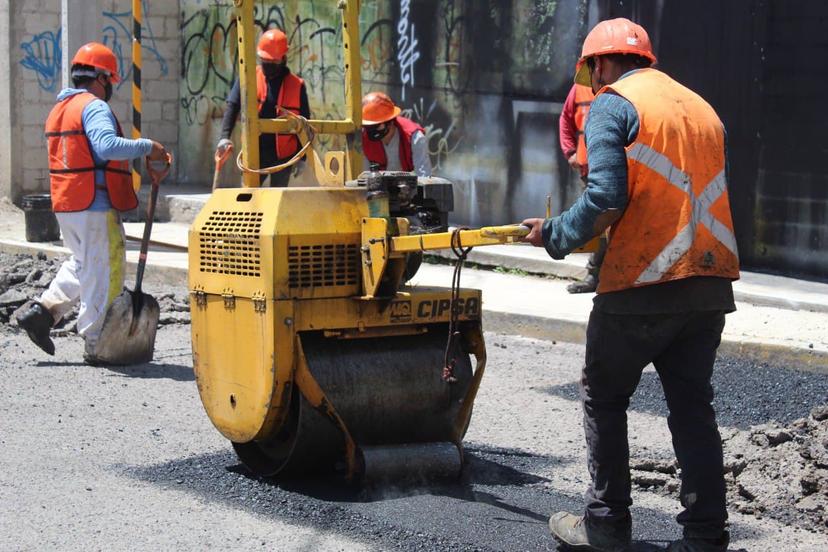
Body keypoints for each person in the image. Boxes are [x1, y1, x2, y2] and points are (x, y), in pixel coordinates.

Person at [521, 18, 739, 552]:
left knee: (604, 395)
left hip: (641, 283)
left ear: (598, 65)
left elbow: (606, 198)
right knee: (692, 408)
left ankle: (606, 528)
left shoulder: (613, 106)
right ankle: (707, 537)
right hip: (708, 281)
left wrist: (554, 235)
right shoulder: (701, 108)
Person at [15, 42, 168, 364]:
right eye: (110, 79)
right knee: (104, 271)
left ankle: (42, 313)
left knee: (83, 262)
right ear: (101, 77)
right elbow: (107, 145)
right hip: (94, 204)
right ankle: (97, 342)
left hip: (68, 202)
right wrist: (148, 147)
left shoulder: (60, 108)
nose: (110, 86)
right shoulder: (93, 107)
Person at [216, 28, 310, 187]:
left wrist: (302, 158)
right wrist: (224, 136)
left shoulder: (297, 85)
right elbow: (233, 106)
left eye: (272, 62)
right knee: (249, 200)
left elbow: (305, 123)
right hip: (254, 153)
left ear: (283, 59)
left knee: (276, 203)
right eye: (264, 61)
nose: (267, 65)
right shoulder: (248, 78)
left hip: (283, 157)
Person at [559, 82, 607, 294]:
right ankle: (595, 274)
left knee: (610, 225)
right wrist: (570, 151)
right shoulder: (580, 87)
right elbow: (566, 118)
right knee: (600, 224)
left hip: (619, 168)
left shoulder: (627, 85)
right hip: (590, 169)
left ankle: (599, 274)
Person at [361, 92, 432, 177]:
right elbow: (364, 178)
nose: (371, 130)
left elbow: (424, 177)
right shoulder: (363, 139)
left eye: (375, 125)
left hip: (409, 187)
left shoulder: (415, 137)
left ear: (389, 122)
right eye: (368, 126)